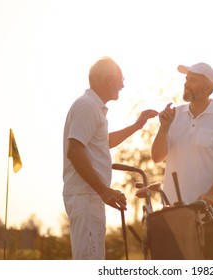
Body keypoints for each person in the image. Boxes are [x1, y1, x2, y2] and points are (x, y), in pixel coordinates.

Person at [63, 56, 157, 259]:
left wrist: (136, 125)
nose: (123, 85)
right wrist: (104, 191)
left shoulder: (94, 108)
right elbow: (75, 151)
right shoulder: (87, 106)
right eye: (121, 79)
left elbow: (103, 141)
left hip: (90, 195)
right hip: (86, 195)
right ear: (110, 79)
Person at [151, 62, 213, 213]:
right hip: (172, 209)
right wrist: (164, 127)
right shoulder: (174, 115)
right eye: (186, 79)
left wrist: (212, 194)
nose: (186, 84)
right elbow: (157, 157)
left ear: (208, 88)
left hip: (209, 210)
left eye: (192, 80)